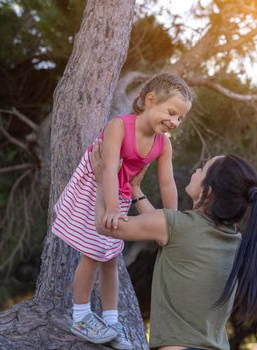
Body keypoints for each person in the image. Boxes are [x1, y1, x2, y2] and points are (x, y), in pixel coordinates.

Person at [51, 72, 193, 349]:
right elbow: (107, 168)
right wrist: (112, 207)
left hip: (121, 192)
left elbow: (167, 183)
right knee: (92, 253)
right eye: (172, 112)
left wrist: (173, 220)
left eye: (180, 118)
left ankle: (111, 321)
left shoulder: (164, 144)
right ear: (150, 100)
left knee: (111, 258)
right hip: (95, 186)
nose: (174, 122)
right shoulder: (119, 126)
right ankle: (80, 316)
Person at [91, 142, 257, 350]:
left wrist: (103, 179)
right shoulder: (234, 241)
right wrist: (135, 191)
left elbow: (104, 225)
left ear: (208, 191)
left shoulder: (179, 227)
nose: (196, 170)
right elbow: (164, 230)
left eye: (203, 169)